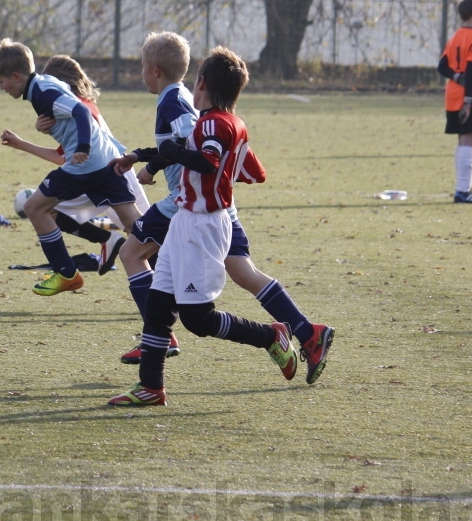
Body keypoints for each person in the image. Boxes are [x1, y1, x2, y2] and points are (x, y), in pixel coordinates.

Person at [115, 32, 333, 384]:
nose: (140, 73)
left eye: (141, 67)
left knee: (131, 254)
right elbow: (245, 167)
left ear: (155, 70)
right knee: (244, 273)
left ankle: (158, 338)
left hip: (189, 207)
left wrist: (159, 163)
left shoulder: (178, 106)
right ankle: (307, 333)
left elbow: (196, 150)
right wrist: (142, 157)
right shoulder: (206, 110)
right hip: (217, 208)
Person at [0, 39, 145, 299]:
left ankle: (66, 274)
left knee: (34, 207)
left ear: (15, 76)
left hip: (85, 165)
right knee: (136, 225)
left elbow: (80, 112)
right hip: (107, 159)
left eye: (0, 81)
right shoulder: (45, 85)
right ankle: (172, 267)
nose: (1, 87)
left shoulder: (42, 93)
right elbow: (71, 113)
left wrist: (81, 147)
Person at [438, 0, 472, 203]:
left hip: (452, 94)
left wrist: (456, 77)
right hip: (470, 94)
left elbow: (442, 67)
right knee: (470, 139)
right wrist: (468, 99)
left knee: (463, 139)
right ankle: (463, 191)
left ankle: (462, 189)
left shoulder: (455, 37)